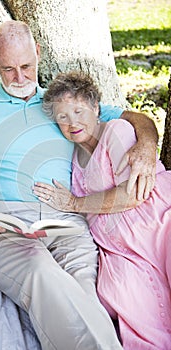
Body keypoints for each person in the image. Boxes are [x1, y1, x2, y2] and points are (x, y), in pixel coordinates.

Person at [0, 20, 158, 350]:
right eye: (8, 68)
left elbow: (137, 118)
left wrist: (145, 147)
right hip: (3, 228)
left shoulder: (62, 106)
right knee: (41, 272)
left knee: (83, 290)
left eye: (26, 66)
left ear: (38, 54)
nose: (20, 77)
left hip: (65, 222)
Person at [33, 71, 171, 349]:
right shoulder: (73, 158)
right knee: (119, 293)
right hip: (118, 248)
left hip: (154, 222)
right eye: (63, 117)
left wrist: (74, 203)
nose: (72, 123)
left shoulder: (116, 132)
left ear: (96, 107)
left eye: (78, 111)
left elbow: (133, 195)